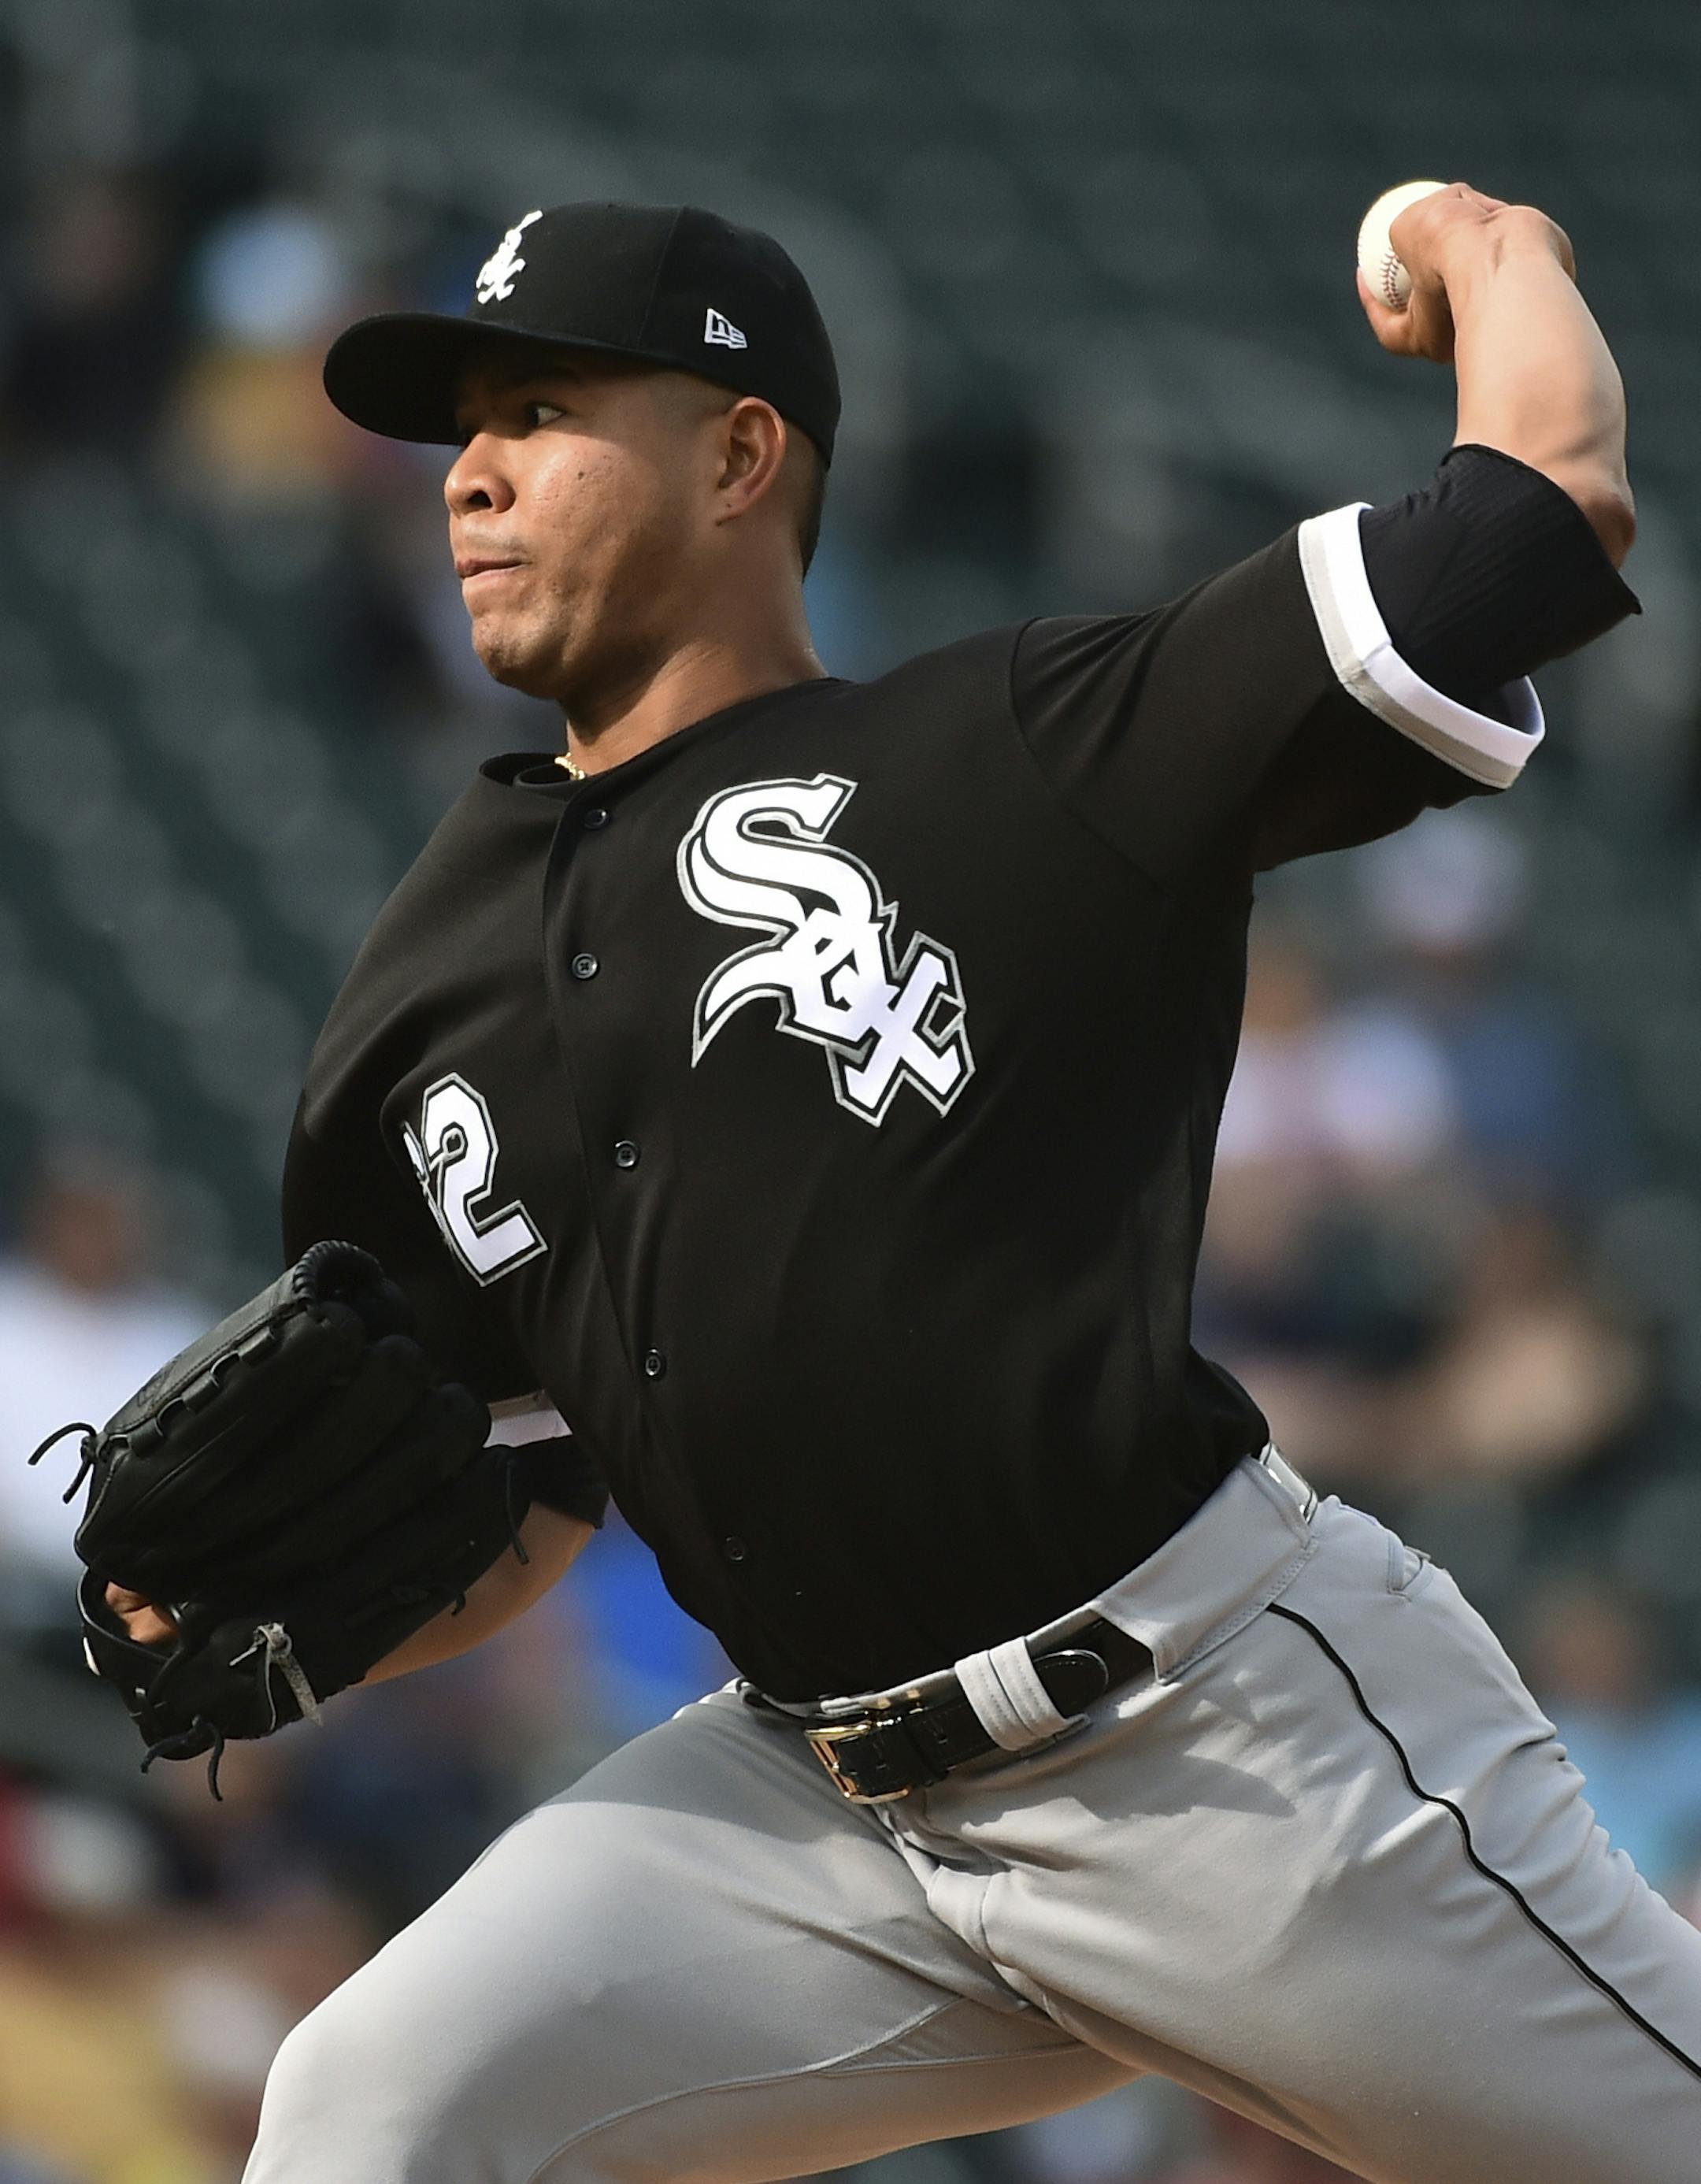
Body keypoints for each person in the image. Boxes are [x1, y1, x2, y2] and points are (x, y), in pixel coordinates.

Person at [112, 188, 1701, 2182]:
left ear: (741, 450)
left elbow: (1544, 508)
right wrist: (290, 1619)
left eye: (538, 408)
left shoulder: (1019, 749)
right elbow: (521, 1497)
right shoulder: (425, 981)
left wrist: (1491, 247)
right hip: (822, 1814)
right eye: (461, 433)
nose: (473, 477)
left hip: (1225, 1754)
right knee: (378, 2106)